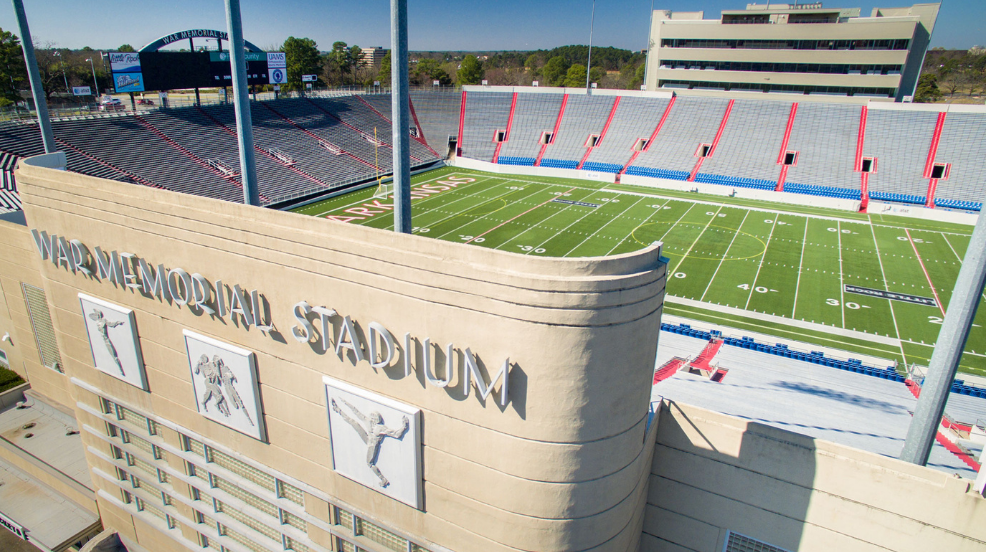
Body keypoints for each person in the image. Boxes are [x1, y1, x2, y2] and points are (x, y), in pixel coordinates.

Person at [331, 398, 409, 488]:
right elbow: (357, 412)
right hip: (367, 439)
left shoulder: (381, 428)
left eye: (374, 419)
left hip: (373, 445)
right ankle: (338, 410)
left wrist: (404, 426)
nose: (372, 420)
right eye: (371, 418)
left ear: (377, 419)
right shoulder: (368, 421)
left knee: (369, 463)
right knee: (354, 423)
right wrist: (346, 402)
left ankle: (383, 479)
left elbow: (396, 434)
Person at [216, 356, 253, 426]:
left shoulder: (225, 368)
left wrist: (231, 377)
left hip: (230, 387)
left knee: (239, 402)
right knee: (234, 403)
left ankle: (248, 419)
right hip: (227, 388)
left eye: (219, 362)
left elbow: (232, 376)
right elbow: (218, 381)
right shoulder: (218, 372)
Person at [89, 309, 125, 376]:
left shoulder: (104, 321)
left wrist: (118, 322)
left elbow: (111, 324)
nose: (96, 315)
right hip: (103, 341)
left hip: (107, 341)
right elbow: (90, 315)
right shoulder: (97, 321)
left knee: (114, 356)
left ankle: (121, 370)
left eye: (97, 314)